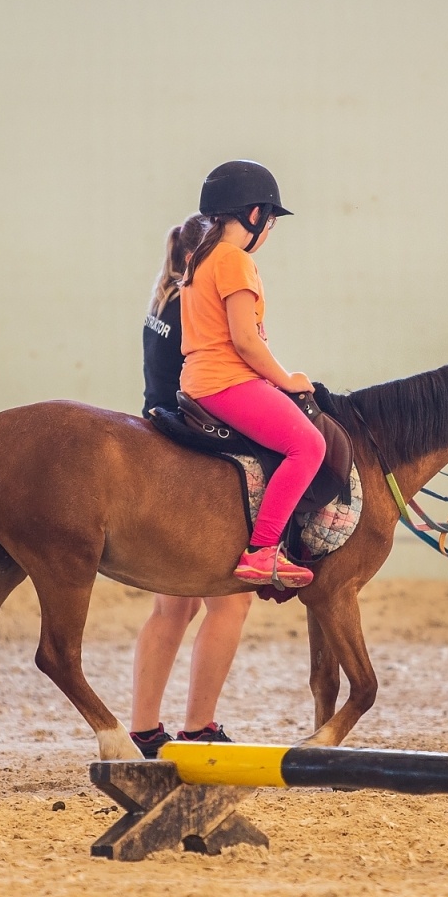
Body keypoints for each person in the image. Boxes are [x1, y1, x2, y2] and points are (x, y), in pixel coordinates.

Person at [129, 215, 257, 757]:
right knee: (231, 604)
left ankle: (143, 726)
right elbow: (227, 373)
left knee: (172, 608)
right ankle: (199, 725)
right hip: (190, 438)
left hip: (159, 423)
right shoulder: (199, 302)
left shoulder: (162, 299)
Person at [178, 159, 325, 589]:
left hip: (199, 380)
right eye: (271, 221)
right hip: (225, 380)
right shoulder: (234, 261)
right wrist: (285, 379)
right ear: (255, 214)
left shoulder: (200, 258)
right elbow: (245, 340)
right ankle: (263, 551)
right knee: (308, 446)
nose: (268, 233)